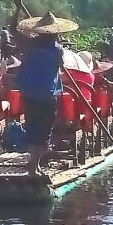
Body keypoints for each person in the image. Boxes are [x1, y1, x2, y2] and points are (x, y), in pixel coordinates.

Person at [13, 11, 80, 176]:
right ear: (55, 34)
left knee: (32, 126)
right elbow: (59, 63)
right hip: (46, 95)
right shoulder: (57, 51)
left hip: (29, 93)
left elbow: (14, 31)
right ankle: (33, 167)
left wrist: (16, 13)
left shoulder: (29, 47)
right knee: (43, 132)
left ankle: (33, 165)